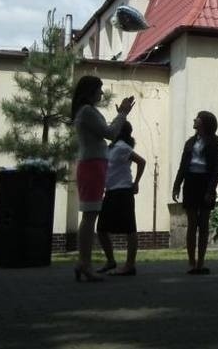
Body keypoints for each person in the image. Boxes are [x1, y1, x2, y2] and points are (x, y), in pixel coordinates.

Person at [71, 75, 134, 282]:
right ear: (90, 91)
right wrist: (123, 114)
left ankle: (84, 262)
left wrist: (120, 116)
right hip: (92, 166)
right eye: (99, 89)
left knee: (89, 216)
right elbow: (111, 133)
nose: (101, 93)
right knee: (90, 217)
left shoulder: (86, 111)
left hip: (93, 165)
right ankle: (85, 263)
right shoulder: (88, 111)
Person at [172, 111, 218, 275]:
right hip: (191, 182)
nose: (195, 120)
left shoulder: (215, 142)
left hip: (206, 182)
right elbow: (183, 165)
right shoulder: (190, 142)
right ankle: (191, 262)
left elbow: (217, 167)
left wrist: (211, 189)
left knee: (204, 224)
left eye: (198, 118)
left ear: (205, 123)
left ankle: (201, 262)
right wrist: (177, 185)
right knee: (192, 223)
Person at [96, 121, 146, 276]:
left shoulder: (123, 147)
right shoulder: (111, 148)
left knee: (130, 229)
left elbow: (141, 161)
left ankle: (130, 265)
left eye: (114, 126)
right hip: (111, 192)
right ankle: (111, 261)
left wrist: (135, 183)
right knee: (101, 229)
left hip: (123, 191)